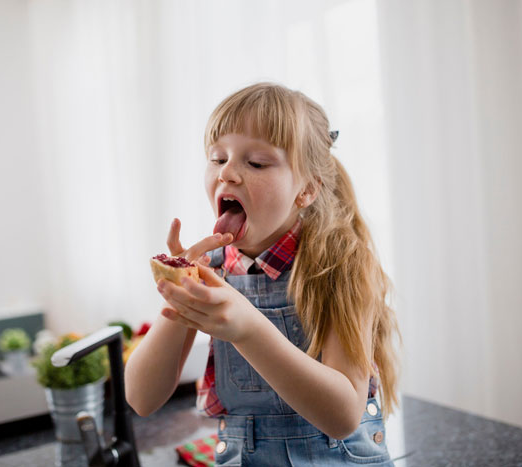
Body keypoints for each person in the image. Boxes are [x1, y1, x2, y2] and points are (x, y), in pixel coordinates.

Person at [125, 82, 401, 466]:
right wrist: (179, 291)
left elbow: (342, 415)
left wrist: (248, 328)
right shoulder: (212, 269)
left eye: (255, 163)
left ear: (306, 190)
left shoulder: (341, 263)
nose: (229, 175)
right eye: (217, 158)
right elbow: (141, 398)